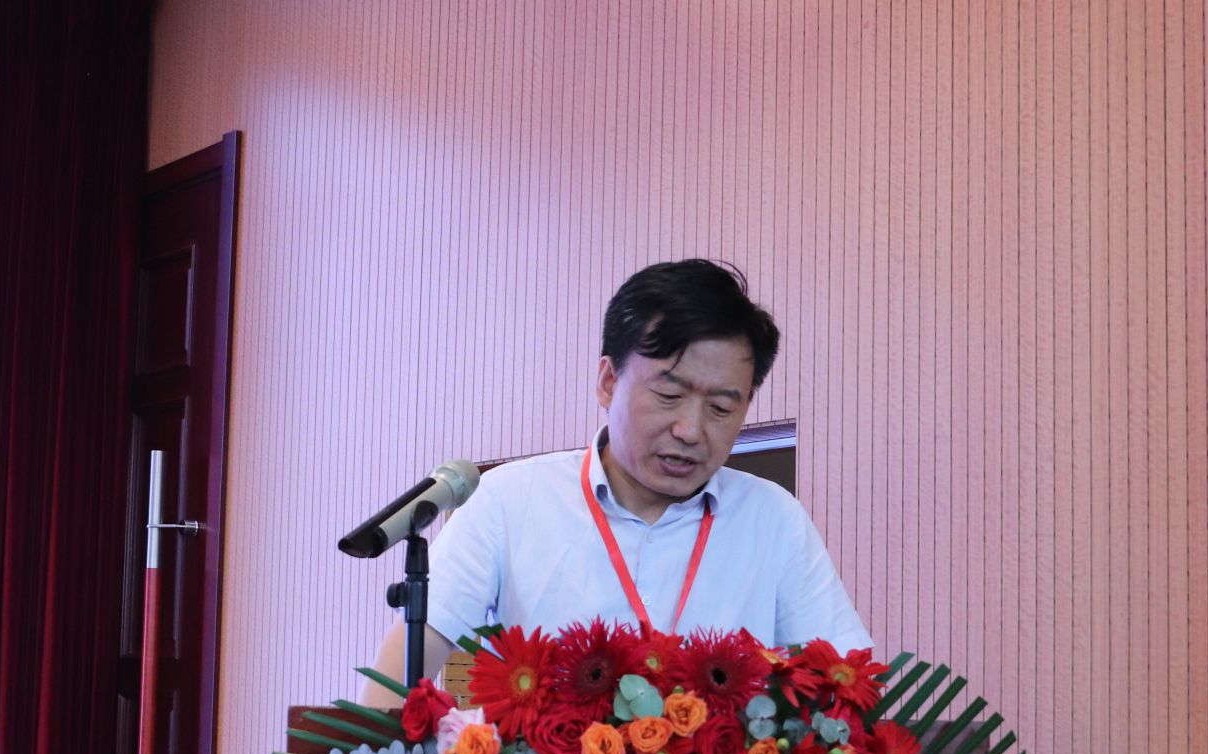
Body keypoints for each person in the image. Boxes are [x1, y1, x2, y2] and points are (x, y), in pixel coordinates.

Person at [362, 259, 872, 704]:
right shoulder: (508, 502)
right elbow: (389, 691)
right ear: (608, 382)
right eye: (669, 396)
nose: (691, 430)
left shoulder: (773, 519)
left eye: (721, 408)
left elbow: (850, 693)